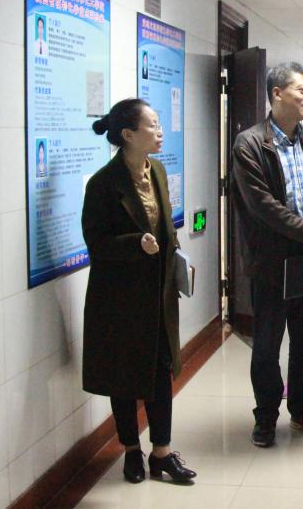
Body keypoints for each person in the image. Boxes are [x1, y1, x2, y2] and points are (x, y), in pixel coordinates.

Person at [81, 98, 196, 485]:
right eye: (152, 125)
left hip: (158, 294)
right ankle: (131, 449)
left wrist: (177, 259)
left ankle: (161, 452)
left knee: (161, 371)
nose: (160, 131)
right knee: (124, 376)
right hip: (119, 298)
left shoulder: (157, 170)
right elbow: (96, 244)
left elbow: (166, 226)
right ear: (129, 135)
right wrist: (135, 244)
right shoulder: (102, 184)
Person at [232, 61, 303, 448]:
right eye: (301, 90)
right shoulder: (249, 143)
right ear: (277, 93)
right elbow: (262, 205)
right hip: (272, 263)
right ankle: (265, 415)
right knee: (267, 346)